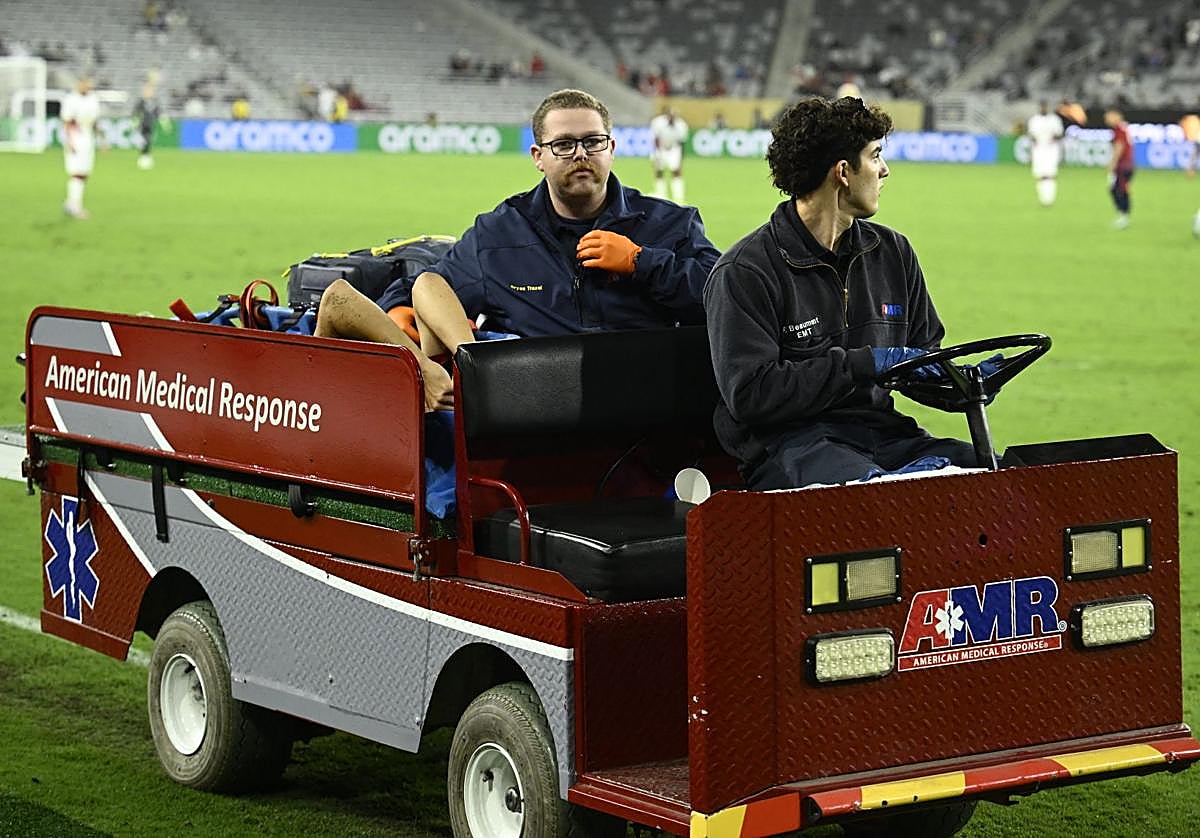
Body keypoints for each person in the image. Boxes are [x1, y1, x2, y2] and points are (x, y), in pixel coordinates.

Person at [316, 87, 719, 392]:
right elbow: (433, 280)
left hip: (651, 412)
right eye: (563, 144)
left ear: (611, 148)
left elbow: (727, 300)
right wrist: (398, 306)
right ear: (538, 156)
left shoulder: (670, 226)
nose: (580, 154)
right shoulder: (501, 234)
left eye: (593, 142)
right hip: (541, 416)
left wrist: (642, 262)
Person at [704, 96, 977, 489]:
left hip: (883, 435)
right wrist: (861, 365)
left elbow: (919, 357)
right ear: (843, 172)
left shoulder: (893, 252)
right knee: (880, 499)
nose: (885, 170)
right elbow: (751, 395)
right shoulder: (745, 271)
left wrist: (960, 381)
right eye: (876, 155)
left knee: (996, 477)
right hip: (790, 448)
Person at [60, 76, 101, 219]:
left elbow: (95, 121)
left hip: (88, 138)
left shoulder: (93, 99)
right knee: (76, 172)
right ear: (79, 84)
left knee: (84, 173)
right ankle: (75, 207)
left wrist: (102, 140)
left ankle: (70, 203)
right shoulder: (71, 99)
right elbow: (66, 122)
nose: (87, 86)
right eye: (85, 83)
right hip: (76, 138)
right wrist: (69, 141)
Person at [1026, 101, 1064, 206]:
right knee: (1040, 175)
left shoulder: (1054, 120)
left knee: (1050, 174)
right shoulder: (1034, 120)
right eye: (1042, 107)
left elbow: (1059, 134)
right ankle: (1042, 198)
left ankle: (1050, 198)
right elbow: (1031, 136)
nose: (1043, 108)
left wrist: (1052, 137)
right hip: (1038, 150)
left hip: (1051, 149)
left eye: (1045, 107)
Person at [649, 105, 689, 203]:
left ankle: (678, 196)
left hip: (674, 149)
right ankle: (661, 194)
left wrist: (681, 158)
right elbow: (655, 138)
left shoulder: (681, 125)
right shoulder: (658, 122)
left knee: (676, 171)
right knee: (659, 171)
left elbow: (682, 142)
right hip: (661, 148)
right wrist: (657, 153)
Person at [1105, 108, 1134, 229]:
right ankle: (1123, 215)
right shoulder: (1123, 128)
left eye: (1109, 116)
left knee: (1119, 190)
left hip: (1123, 166)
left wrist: (1113, 163)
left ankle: (1123, 216)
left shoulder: (1119, 130)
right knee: (1116, 189)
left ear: (1117, 116)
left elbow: (1119, 147)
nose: (1106, 119)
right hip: (1126, 165)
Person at [132, 81, 161, 170]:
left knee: (149, 141)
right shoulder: (141, 101)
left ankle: (146, 157)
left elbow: (158, 112)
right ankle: (143, 157)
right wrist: (135, 123)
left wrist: (163, 121)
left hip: (151, 124)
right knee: (144, 141)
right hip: (143, 125)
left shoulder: (154, 101)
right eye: (146, 90)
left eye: (150, 91)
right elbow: (136, 113)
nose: (148, 92)